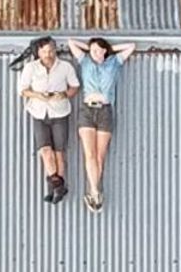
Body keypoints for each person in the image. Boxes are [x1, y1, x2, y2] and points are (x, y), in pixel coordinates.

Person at [71, 36, 138, 212]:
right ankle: (95, 191)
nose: (96, 53)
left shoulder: (114, 63)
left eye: (99, 50)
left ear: (104, 51)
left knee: (100, 156)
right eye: (93, 50)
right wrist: (89, 47)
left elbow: (131, 45)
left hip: (105, 110)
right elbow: (71, 42)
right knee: (90, 154)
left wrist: (109, 48)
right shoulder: (85, 61)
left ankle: (94, 194)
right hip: (87, 109)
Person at [13, 36, 80, 203]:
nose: (48, 54)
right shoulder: (30, 68)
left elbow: (75, 86)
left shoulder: (65, 67)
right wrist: (38, 95)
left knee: (59, 152)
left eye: (50, 50)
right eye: (44, 51)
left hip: (59, 112)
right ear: (39, 52)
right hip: (38, 112)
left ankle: (54, 189)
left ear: (55, 50)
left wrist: (64, 94)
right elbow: (23, 90)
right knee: (45, 151)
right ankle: (58, 186)